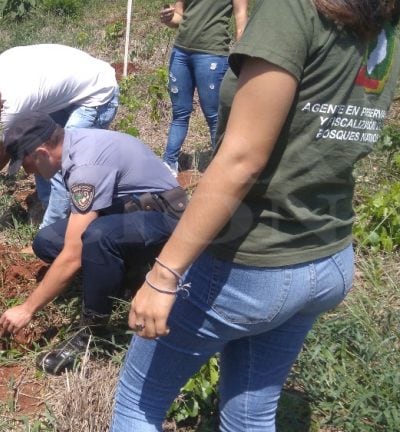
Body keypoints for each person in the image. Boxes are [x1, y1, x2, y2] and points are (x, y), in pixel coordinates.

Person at [112, 0, 400, 430]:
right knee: (250, 414)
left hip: (253, 263)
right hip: (328, 254)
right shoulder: (383, 20)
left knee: (138, 403)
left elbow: (242, 158)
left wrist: (164, 273)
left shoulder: (293, 9)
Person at [0, 112, 186, 375]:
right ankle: (120, 276)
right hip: (129, 211)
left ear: (41, 152)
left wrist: (27, 309)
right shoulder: (74, 145)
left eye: (27, 164)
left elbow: (74, 254)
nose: (29, 172)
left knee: (97, 237)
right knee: (47, 241)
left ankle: (91, 333)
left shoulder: (86, 167)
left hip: (165, 218)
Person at [0, 44, 120, 228]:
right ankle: (48, 205)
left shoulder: (15, 105)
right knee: (38, 148)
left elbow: (4, 154)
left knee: (60, 163)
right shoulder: (3, 61)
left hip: (97, 94)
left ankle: (54, 229)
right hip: (72, 90)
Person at [159, 0, 248, 175]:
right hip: (180, 53)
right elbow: (179, 16)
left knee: (214, 116)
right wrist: (168, 18)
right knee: (180, 113)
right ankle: (169, 163)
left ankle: (221, 169)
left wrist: (243, 58)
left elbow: (241, 17)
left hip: (212, 54)